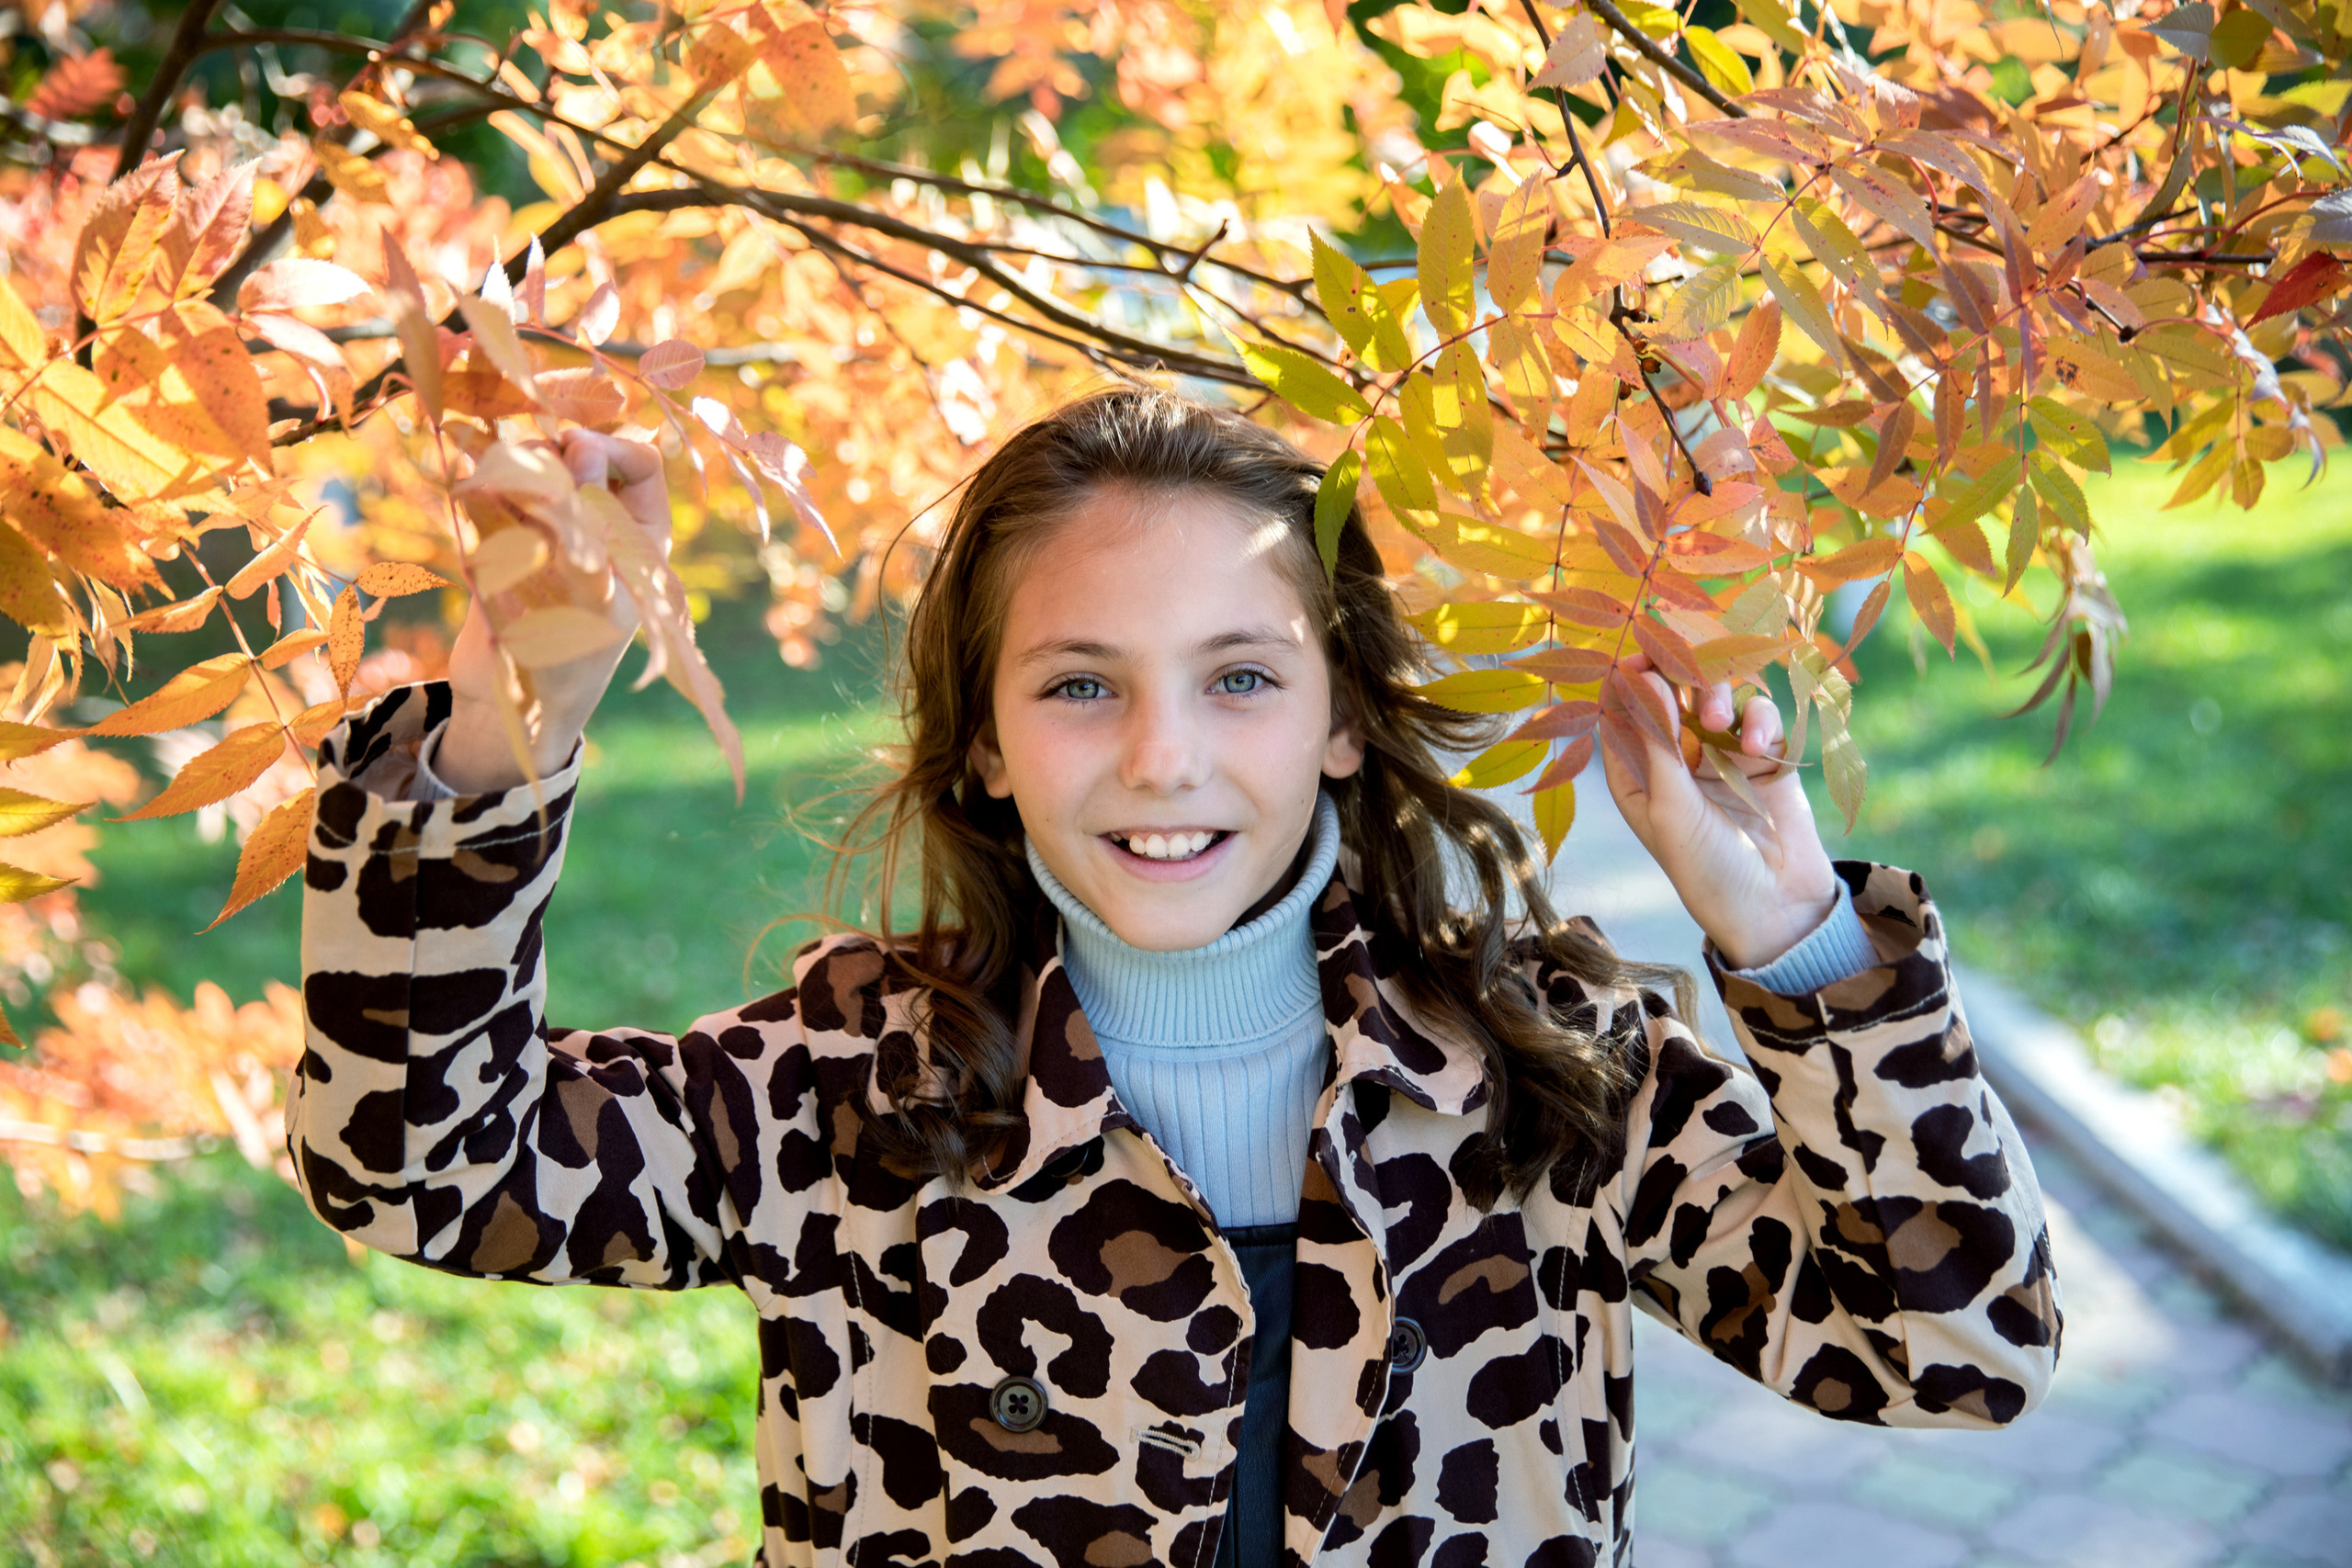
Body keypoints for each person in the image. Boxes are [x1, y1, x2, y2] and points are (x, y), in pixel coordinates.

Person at [289, 385, 2060, 1568]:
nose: (1160, 757)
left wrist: (1796, 936)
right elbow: (420, 1164)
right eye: (1077, 685)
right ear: (981, 740)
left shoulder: (1544, 1065)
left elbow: (1955, 1351)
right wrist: (508, 729)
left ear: (1345, 717)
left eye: (1239, 678)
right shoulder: (852, 1081)